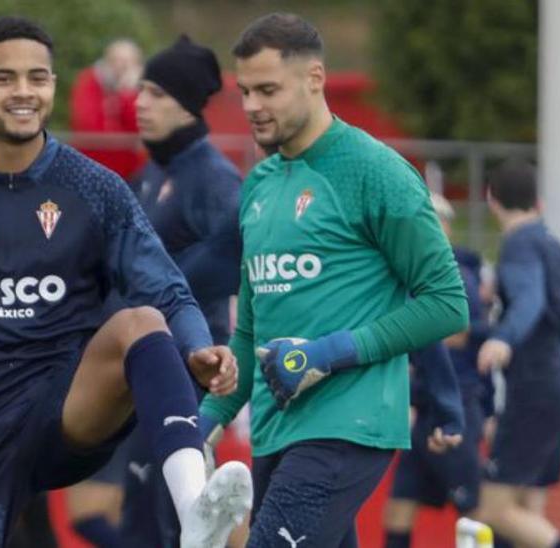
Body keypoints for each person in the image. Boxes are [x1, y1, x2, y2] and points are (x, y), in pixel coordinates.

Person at [0, 16, 253, 548]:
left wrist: (198, 345)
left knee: (141, 321)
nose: (23, 92)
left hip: (62, 412)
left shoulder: (95, 187)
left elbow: (168, 288)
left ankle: (194, 507)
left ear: (53, 85)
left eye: (37, 77)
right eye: (5, 78)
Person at [196, 13, 468, 547]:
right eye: (245, 91)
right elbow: (250, 333)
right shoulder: (259, 186)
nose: (252, 106)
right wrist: (203, 419)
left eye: (268, 90)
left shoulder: (375, 170)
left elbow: (447, 303)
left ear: (315, 79)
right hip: (276, 431)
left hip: (348, 425)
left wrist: (332, 351)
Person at [98, 34, 242, 548]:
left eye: (156, 93)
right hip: (142, 366)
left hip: (190, 368)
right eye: (140, 91)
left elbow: (226, 267)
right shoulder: (152, 172)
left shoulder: (214, 179)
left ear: (186, 103)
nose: (141, 103)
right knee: (142, 518)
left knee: (177, 521)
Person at [472, 159, 560, 548]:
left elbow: (530, 300)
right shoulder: (553, 246)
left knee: (493, 509)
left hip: (534, 390)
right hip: (557, 388)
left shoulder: (519, 243)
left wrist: (504, 337)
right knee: (527, 511)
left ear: (491, 199)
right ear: (539, 202)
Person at [383, 196, 492, 548]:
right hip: (426, 409)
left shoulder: (456, 275)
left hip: (454, 404)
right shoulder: (409, 274)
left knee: (475, 511)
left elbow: (456, 334)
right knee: (399, 506)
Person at [70, 38, 145, 180]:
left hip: (131, 174)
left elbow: (140, 128)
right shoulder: (89, 81)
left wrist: (127, 95)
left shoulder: (143, 88)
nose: (121, 66)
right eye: (116, 60)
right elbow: (88, 126)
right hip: (89, 170)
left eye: (128, 62)